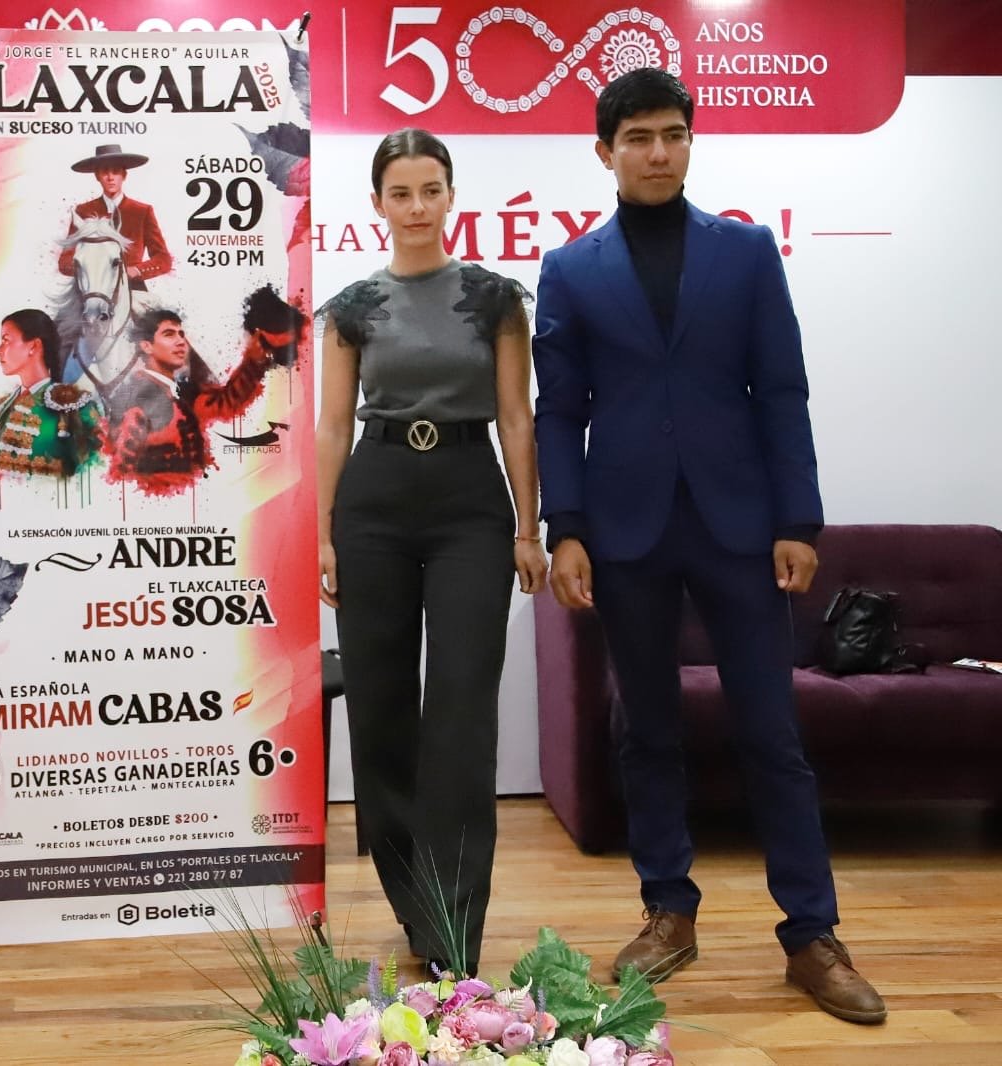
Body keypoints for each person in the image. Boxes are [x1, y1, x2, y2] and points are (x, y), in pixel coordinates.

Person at [532, 68, 885, 1023]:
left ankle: (811, 935)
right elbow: (559, 411)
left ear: (691, 142)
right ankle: (668, 911)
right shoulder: (570, 269)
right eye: (639, 138)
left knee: (773, 732)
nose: (658, 153)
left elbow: (782, 388)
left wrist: (798, 520)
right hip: (626, 531)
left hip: (739, 527)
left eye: (673, 135)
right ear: (605, 151)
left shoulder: (747, 252)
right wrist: (567, 528)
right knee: (646, 729)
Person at [315, 129, 547, 978]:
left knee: (461, 713)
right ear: (377, 203)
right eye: (400, 193)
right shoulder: (351, 308)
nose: (416, 207)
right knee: (380, 710)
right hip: (373, 500)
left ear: (451, 196)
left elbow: (516, 418)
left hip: (468, 503)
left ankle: (457, 929)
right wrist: (322, 533)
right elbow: (332, 425)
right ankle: (414, 903)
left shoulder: (495, 299)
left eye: (430, 190)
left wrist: (528, 528)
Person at [105, 303, 292, 495]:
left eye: (181, 334)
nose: (181, 342)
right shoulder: (136, 399)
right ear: (146, 346)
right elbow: (122, 474)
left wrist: (254, 360)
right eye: (169, 334)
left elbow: (223, 403)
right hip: (159, 502)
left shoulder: (178, 392)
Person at [0, 308, 102, 479]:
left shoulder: (75, 405)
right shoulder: (3, 405)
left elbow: (93, 471)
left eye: (6, 341)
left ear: (34, 346)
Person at [56, 143, 173, 290]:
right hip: (90, 290)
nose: (110, 177)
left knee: (154, 306)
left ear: (124, 175)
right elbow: (65, 261)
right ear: (97, 176)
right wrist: (89, 269)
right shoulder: (83, 211)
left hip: (131, 288)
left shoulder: (142, 211)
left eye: (116, 172)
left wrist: (136, 270)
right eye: (105, 172)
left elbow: (163, 259)